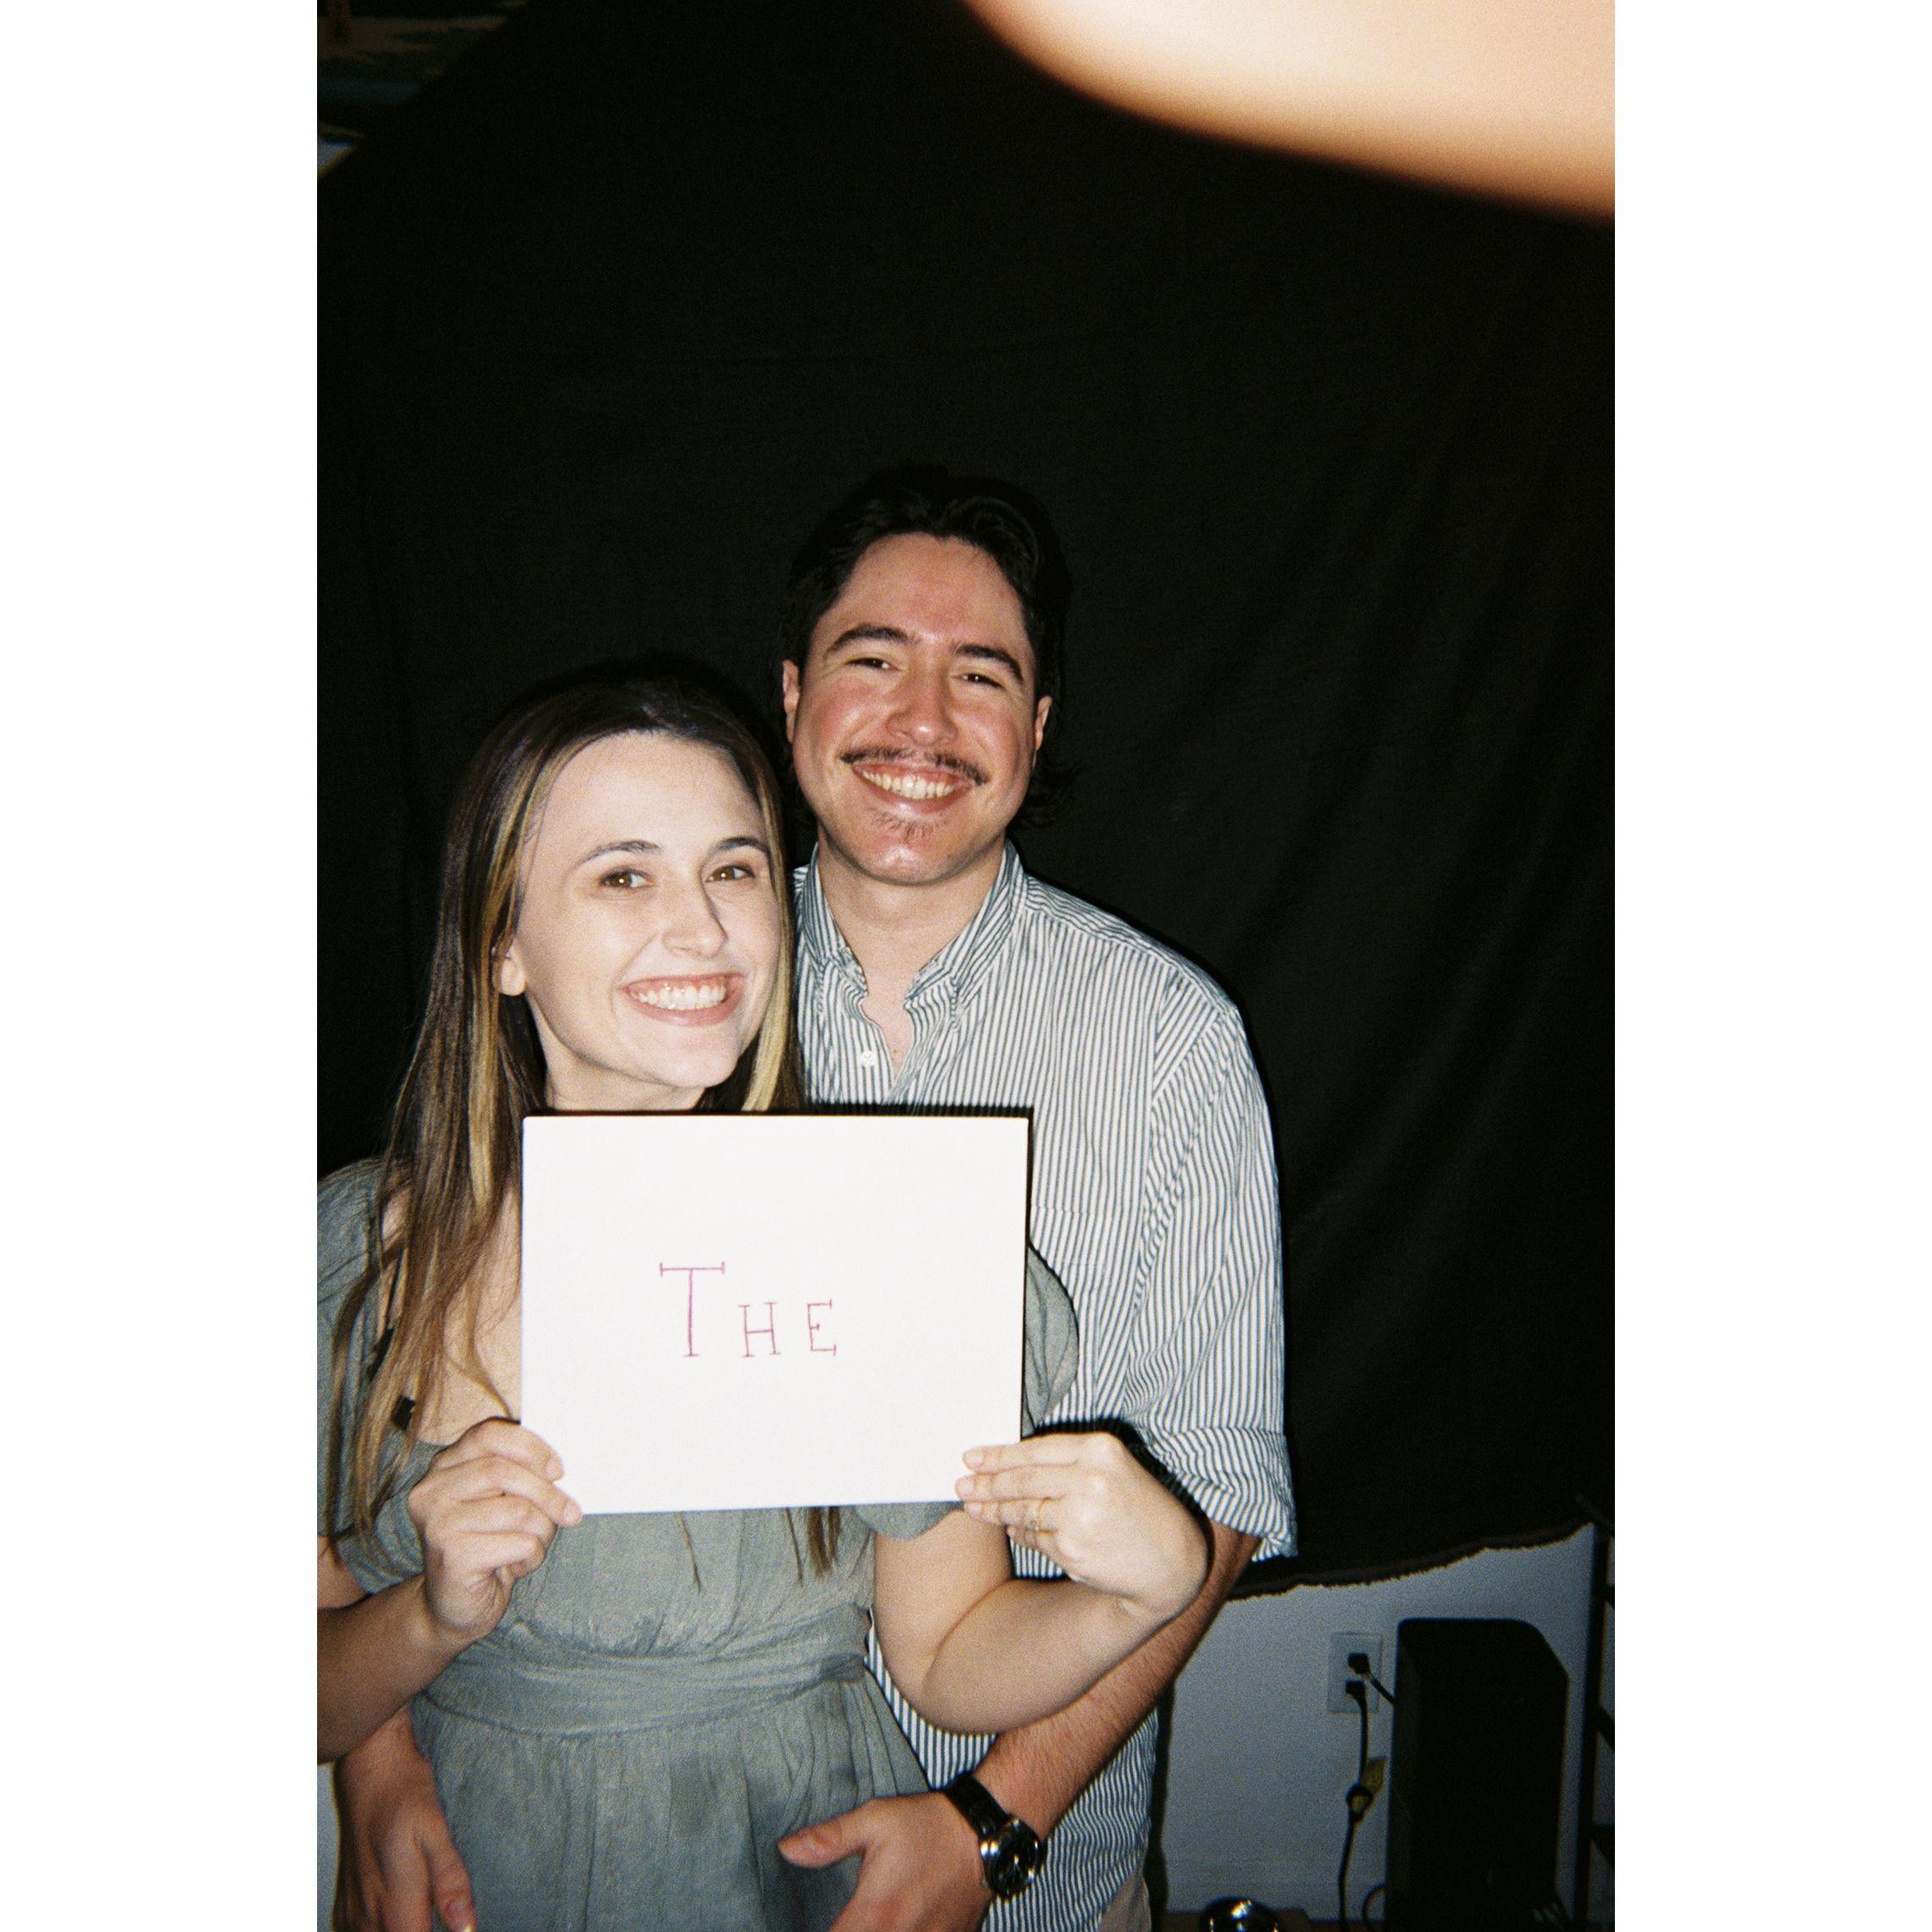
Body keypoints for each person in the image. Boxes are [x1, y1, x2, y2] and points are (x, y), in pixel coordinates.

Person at [332, 472, 1296, 1932]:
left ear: (1040, 726)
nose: (923, 717)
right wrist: (379, 1749)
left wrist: (994, 1824)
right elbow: (346, 1517)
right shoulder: (671, 978)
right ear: (790, 698)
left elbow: (1200, 1491)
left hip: (1007, 1855)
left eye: (982, 674)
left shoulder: (1165, 1047)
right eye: (873, 658)